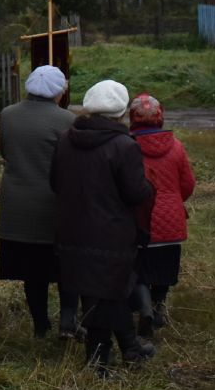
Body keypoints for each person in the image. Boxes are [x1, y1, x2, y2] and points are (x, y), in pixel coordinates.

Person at [50, 80, 156, 373]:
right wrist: (150, 187)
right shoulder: (124, 146)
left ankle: (129, 348)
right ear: (122, 112)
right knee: (109, 292)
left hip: (72, 228)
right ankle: (98, 358)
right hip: (111, 233)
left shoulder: (64, 139)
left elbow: (54, 183)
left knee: (103, 292)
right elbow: (136, 193)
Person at [0, 64, 81, 339]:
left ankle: (40, 326)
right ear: (58, 92)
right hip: (54, 205)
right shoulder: (67, 120)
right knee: (66, 264)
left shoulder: (8, 116)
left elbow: (5, 151)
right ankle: (68, 320)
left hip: (17, 206)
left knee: (32, 272)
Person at [126, 93, 195, 335]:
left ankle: (144, 307)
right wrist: (174, 201)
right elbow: (187, 184)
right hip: (171, 221)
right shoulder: (176, 147)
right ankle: (158, 307)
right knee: (165, 268)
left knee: (140, 269)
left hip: (139, 220)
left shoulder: (128, 146)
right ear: (160, 117)